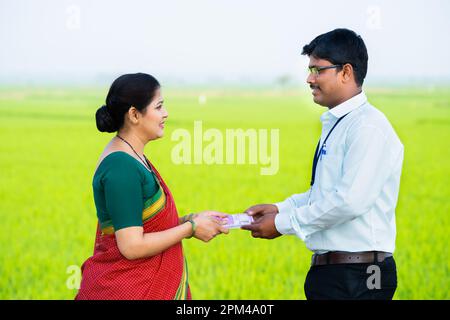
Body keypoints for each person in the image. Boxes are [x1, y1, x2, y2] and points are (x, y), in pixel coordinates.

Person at [242, 29, 404, 300]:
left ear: (345, 72)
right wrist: (280, 208)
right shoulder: (339, 123)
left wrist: (283, 223)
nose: (309, 79)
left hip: (363, 275)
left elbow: (349, 201)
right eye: (309, 70)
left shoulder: (367, 127)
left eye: (317, 70)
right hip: (333, 273)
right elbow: (326, 193)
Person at [75, 73, 228, 300]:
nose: (165, 114)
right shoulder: (121, 167)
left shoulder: (132, 156)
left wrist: (190, 219)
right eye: (159, 107)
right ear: (135, 115)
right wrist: (191, 228)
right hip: (126, 290)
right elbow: (132, 246)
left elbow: (142, 226)